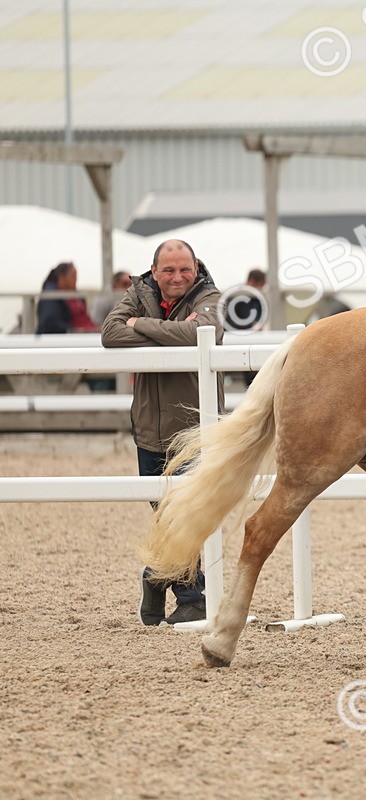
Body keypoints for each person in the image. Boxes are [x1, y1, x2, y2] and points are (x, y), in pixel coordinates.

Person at [101, 239, 225, 626]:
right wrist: (169, 329)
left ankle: (190, 597)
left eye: (184, 269)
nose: (177, 277)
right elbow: (110, 334)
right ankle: (158, 579)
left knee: (186, 514)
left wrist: (141, 325)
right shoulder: (137, 292)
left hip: (195, 429)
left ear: (196, 267)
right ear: (154, 271)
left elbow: (204, 335)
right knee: (163, 514)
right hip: (149, 429)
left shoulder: (213, 297)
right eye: (168, 270)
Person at [36, 262, 98, 334]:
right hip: (71, 339)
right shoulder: (51, 296)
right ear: (62, 277)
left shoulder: (77, 296)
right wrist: (75, 330)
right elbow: (50, 322)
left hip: (88, 334)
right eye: (73, 276)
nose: (76, 279)